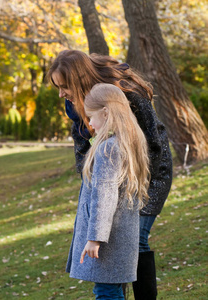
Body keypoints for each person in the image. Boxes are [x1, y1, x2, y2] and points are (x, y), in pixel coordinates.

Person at [47, 50, 173, 299]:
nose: (61, 93)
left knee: (133, 241)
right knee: (116, 250)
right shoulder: (79, 103)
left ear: (78, 78)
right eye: (57, 87)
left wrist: (135, 184)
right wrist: (92, 173)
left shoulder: (124, 94)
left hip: (148, 175)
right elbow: (82, 145)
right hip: (113, 172)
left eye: (64, 86)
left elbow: (153, 141)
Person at [66, 83, 150, 299]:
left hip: (109, 241)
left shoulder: (109, 148)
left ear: (106, 113)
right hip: (117, 238)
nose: (90, 124)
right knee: (109, 290)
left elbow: (105, 195)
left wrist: (95, 238)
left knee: (106, 292)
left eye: (91, 116)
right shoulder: (126, 142)